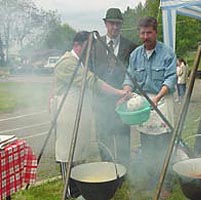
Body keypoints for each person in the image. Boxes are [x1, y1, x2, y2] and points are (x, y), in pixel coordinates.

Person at [54, 31, 127, 199]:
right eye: (88, 49)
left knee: (80, 154)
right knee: (68, 154)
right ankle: (70, 193)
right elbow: (92, 81)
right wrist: (119, 92)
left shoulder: (79, 62)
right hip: (68, 115)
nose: (91, 53)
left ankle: (79, 191)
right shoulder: (67, 63)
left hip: (80, 115)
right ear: (77, 46)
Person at [122, 16, 177, 196]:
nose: (145, 37)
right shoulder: (135, 54)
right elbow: (129, 77)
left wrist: (158, 97)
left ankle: (166, 184)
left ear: (156, 32)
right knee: (147, 144)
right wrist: (126, 91)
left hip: (162, 101)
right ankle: (153, 181)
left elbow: (171, 78)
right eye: (142, 33)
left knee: (164, 146)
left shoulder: (167, 53)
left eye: (149, 33)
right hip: (144, 103)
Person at [90, 8, 136, 167]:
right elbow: (89, 73)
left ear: (121, 25)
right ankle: (107, 170)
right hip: (101, 102)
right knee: (103, 137)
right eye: (111, 23)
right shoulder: (95, 45)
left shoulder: (130, 46)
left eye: (118, 24)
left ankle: (125, 171)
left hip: (122, 100)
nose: (115, 27)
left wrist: (127, 93)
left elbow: (133, 73)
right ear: (105, 24)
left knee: (123, 136)